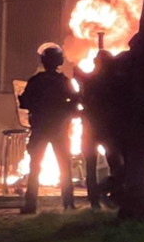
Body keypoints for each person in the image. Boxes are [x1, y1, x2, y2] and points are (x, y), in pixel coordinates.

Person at [18, 45, 78, 214]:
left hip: (40, 128)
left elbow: (25, 102)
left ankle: (31, 204)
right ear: (59, 62)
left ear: (43, 61)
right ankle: (68, 203)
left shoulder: (36, 81)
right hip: (59, 129)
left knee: (35, 166)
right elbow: (75, 102)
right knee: (64, 166)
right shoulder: (64, 81)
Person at [77, 49, 117, 209]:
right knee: (114, 162)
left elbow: (82, 96)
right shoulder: (113, 81)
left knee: (91, 165)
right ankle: (109, 194)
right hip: (106, 128)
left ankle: (95, 197)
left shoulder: (90, 80)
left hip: (93, 127)